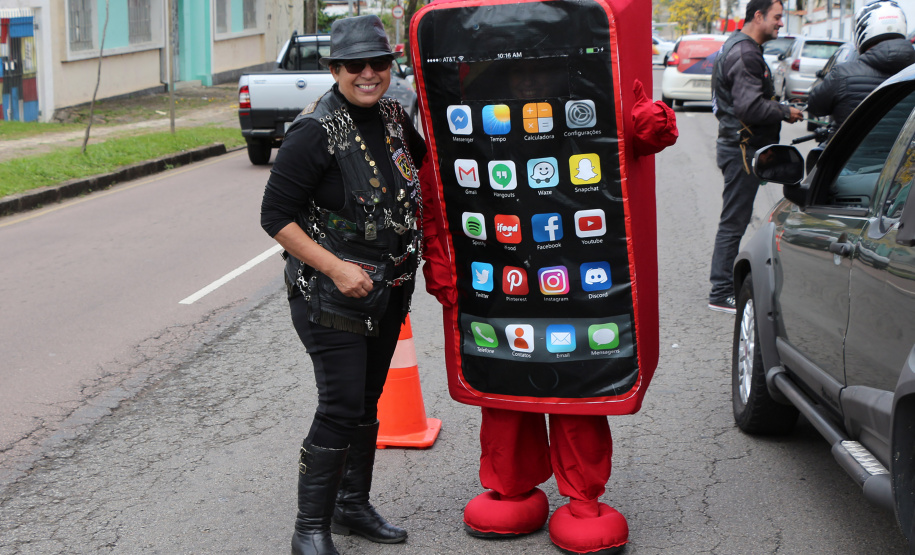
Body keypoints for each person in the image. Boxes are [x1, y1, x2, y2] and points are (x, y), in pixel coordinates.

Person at [259, 15, 427, 555]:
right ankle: (309, 529)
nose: (368, 73)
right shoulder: (314, 130)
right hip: (329, 293)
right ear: (335, 70)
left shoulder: (395, 117)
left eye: (378, 63)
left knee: (367, 401)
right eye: (354, 65)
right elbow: (275, 217)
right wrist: (336, 268)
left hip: (388, 286)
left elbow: (421, 169)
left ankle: (352, 506)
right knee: (340, 405)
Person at [708, 0, 803, 314]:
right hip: (742, 151)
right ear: (758, 16)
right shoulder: (745, 53)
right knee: (734, 221)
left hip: (744, 148)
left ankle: (729, 284)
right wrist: (784, 111)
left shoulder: (740, 47)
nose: (781, 23)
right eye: (777, 17)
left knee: (739, 217)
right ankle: (721, 291)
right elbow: (749, 107)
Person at [808, 0, 915, 129]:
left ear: (863, 30)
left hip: (850, 143)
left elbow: (815, 107)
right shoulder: (911, 73)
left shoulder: (843, 74)